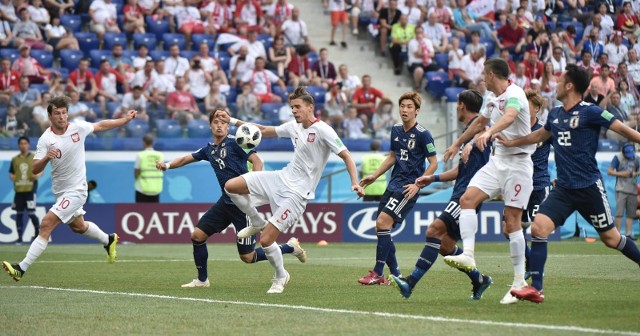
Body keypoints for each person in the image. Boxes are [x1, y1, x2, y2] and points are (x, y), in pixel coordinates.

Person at [502, 64, 640, 303]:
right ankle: (537, 288)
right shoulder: (555, 114)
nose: (555, 83)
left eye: (560, 80)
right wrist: (512, 143)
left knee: (611, 239)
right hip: (563, 189)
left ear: (570, 86)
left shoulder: (591, 112)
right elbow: (538, 136)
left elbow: (624, 130)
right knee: (538, 228)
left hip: (588, 188)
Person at [215, 87, 365, 293]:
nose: (294, 111)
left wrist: (354, 182)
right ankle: (257, 220)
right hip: (280, 178)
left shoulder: (323, 130)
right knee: (231, 186)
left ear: (310, 107)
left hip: (297, 194)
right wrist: (232, 121)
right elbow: (264, 130)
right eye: (292, 107)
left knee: (266, 240)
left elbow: (347, 155)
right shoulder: (294, 126)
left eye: (297, 107)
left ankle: (280, 276)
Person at [156, 109, 307, 288]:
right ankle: (202, 280)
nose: (219, 125)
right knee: (197, 236)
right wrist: (166, 165)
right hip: (225, 202)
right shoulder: (208, 150)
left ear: (228, 126)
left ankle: (289, 247)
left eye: (223, 122)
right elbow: (184, 159)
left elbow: (257, 161)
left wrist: (254, 184)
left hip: (243, 206)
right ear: (210, 126)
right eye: (215, 122)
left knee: (247, 257)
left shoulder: (237, 142)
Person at [2, 96, 138, 282]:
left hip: (77, 190)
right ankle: (108, 239)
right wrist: (46, 158)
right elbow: (34, 169)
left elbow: (101, 125)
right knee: (79, 227)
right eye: (57, 113)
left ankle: (21, 268)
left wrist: (125, 119)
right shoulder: (46, 139)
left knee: (46, 224)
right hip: (61, 192)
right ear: (49, 116)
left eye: (64, 113)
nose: (61, 117)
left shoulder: (78, 128)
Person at [441, 58, 535, 305]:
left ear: (492, 74)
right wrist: (456, 143)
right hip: (497, 162)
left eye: (484, 73)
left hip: (518, 164)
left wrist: (489, 133)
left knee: (512, 222)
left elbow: (510, 116)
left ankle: (519, 282)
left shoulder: (515, 94)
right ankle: (469, 255)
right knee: (467, 199)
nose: (482, 77)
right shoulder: (491, 99)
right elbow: (480, 123)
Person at [388, 90, 492, 299]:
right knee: (445, 246)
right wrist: (432, 179)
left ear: (461, 105)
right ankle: (479, 279)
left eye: (457, 104)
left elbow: (488, 166)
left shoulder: (480, 134)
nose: (456, 107)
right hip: (460, 192)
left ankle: (410, 282)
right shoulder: (468, 133)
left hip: (467, 196)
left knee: (434, 230)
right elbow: (460, 171)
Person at [357, 92, 438, 285]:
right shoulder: (395, 130)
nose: (404, 110)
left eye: (409, 107)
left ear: (417, 111)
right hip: (392, 183)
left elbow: (434, 162)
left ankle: (377, 273)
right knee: (381, 228)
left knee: (382, 224)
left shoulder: (423, 134)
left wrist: (418, 184)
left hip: (407, 188)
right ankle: (396, 275)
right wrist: (375, 175)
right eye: (402, 106)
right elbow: (393, 156)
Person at [10, 136, 42, 244]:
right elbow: (12, 172)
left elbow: (41, 169)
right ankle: (19, 238)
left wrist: (38, 175)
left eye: (25, 143)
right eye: (21, 143)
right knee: (19, 214)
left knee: (31, 213)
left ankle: (38, 233)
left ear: (28, 145)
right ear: (19, 145)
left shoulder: (34, 157)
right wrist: (12, 176)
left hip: (30, 190)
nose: (23, 145)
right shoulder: (15, 159)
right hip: (19, 190)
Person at [607, 143, 640, 240]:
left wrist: (635, 174)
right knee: (619, 212)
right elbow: (609, 171)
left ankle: (628, 234)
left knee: (631, 213)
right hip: (621, 188)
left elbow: (637, 171)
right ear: (623, 152)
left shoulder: (637, 158)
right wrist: (622, 174)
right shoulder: (617, 157)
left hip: (633, 189)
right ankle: (617, 234)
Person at [134, 134, 164, 203]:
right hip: (156, 189)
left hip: (142, 189)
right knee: (153, 212)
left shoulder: (140, 155)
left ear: (143, 142)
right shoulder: (160, 155)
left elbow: (136, 173)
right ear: (153, 142)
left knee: (141, 212)